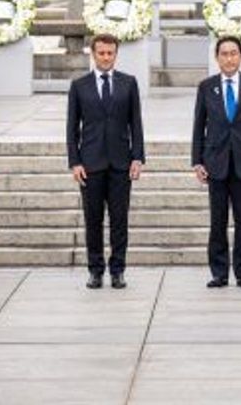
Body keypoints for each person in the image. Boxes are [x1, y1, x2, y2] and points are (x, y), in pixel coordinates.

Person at [66, 33, 145, 290]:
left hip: (121, 163)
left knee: (119, 220)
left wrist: (138, 157)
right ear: (93, 53)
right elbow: (71, 128)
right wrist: (75, 162)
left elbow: (136, 123)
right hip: (90, 164)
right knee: (93, 221)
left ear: (116, 54)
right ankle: (95, 270)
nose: (106, 57)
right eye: (101, 53)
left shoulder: (128, 83)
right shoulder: (79, 86)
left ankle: (118, 270)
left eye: (110, 53)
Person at [191, 36, 241, 288]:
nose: (229, 58)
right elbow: (198, 127)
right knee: (218, 220)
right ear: (217, 58)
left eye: (233, 53)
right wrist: (197, 161)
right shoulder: (206, 87)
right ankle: (219, 272)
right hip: (215, 162)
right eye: (224, 54)